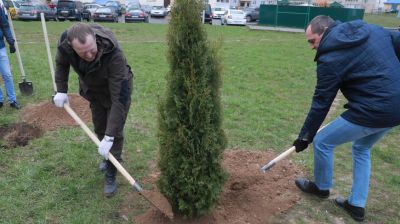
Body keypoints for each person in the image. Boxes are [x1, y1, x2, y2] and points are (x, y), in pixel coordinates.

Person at [293, 15, 400, 222]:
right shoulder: (373, 30)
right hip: (397, 107)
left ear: (324, 32)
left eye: (312, 41)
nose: (311, 47)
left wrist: (305, 136)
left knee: (322, 141)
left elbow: (321, 102)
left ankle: (321, 188)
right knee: (361, 148)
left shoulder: (329, 59)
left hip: (373, 109)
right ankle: (356, 205)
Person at [53, 23, 133, 197]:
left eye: (92, 50)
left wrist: (110, 135)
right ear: (73, 48)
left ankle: (112, 171)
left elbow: (118, 100)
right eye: (83, 53)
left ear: (95, 40)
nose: (89, 55)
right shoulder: (65, 45)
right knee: (99, 128)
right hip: (94, 91)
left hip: (118, 91)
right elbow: (61, 64)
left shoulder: (114, 54)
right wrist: (61, 90)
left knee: (114, 133)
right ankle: (107, 157)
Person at [0, 6, 20, 109]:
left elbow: (4, 26)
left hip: (0, 48)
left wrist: (10, 41)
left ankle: (12, 100)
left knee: (7, 75)